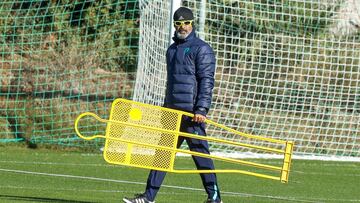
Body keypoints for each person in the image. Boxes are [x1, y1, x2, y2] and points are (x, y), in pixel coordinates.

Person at [123, 7, 222, 203]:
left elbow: (206, 81)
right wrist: (166, 106)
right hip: (172, 113)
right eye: (178, 23)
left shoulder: (201, 49)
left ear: (192, 23)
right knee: (162, 155)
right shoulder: (172, 49)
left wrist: (201, 109)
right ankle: (148, 197)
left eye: (186, 23)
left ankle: (215, 197)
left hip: (192, 115)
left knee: (201, 157)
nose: (182, 27)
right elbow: (172, 82)